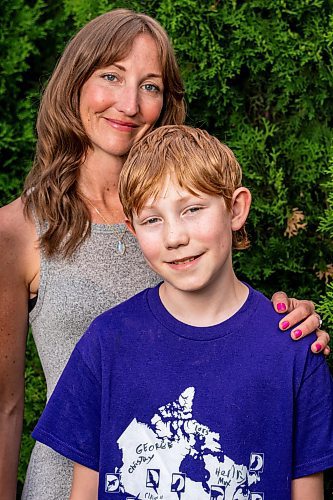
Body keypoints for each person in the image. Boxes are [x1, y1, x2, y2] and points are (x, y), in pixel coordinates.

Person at [0, 9, 327, 500]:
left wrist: (290, 325)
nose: (128, 103)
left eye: (150, 86)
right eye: (110, 76)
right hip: (69, 484)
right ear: (73, 83)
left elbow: (227, 327)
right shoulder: (16, 230)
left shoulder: (187, 216)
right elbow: (4, 404)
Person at [32, 125, 333, 499]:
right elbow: (85, 490)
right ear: (132, 229)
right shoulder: (107, 342)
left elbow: (308, 491)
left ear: (236, 209)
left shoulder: (294, 349)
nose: (174, 237)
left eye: (191, 209)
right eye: (152, 219)